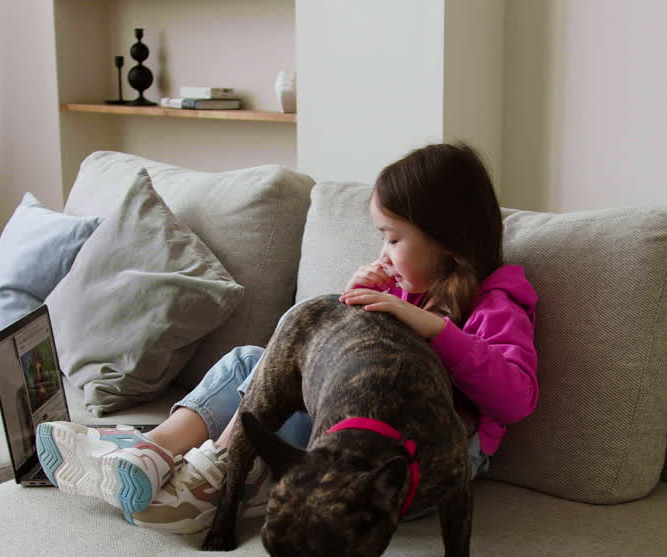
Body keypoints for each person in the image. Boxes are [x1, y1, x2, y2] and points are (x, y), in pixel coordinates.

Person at [35, 142, 539, 534]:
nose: (383, 253)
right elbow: (339, 368)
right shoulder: (406, 293)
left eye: (392, 238)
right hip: (349, 430)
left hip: (416, 466)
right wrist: (353, 304)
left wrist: (435, 329)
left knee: (265, 388)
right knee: (249, 363)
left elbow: (516, 398)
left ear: (447, 240)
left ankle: (203, 476)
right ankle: (154, 456)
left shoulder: (498, 305)